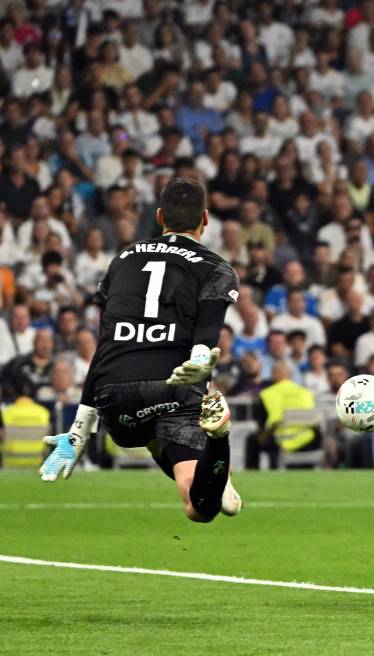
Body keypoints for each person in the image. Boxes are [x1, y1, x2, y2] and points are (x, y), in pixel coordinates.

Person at [37, 178, 242, 523]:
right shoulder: (217, 268)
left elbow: (107, 343)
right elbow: (206, 338)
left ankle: (210, 468)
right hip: (172, 388)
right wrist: (201, 362)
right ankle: (217, 443)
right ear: (205, 219)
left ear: (160, 216)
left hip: (116, 396)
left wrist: (79, 428)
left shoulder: (123, 259)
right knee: (199, 507)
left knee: (151, 430)